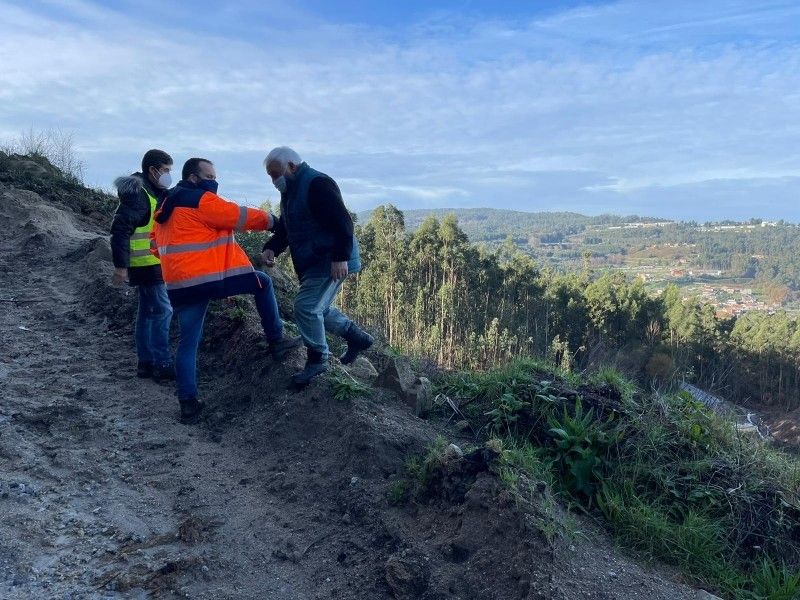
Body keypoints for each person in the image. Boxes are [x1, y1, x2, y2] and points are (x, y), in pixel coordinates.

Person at [152, 157, 301, 423]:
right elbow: (237, 216)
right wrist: (274, 222)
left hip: (178, 283)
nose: (214, 180)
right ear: (193, 178)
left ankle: (188, 404)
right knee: (263, 284)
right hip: (207, 277)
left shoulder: (165, 206)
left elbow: (155, 245)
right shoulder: (200, 199)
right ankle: (277, 341)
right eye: (209, 175)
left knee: (188, 342)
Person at [261, 146, 373, 387]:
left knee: (305, 306)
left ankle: (318, 359)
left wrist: (340, 257)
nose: (273, 181)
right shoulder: (291, 189)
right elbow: (288, 226)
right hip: (314, 259)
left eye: (275, 174)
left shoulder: (318, 184)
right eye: (270, 176)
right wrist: (272, 247)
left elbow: (342, 222)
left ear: (291, 166)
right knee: (318, 309)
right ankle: (356, 337)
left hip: (330, 259)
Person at [110, 149, 175, 381]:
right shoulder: (140, 195)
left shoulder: (153, 192)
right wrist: (120, 266)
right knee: (163, 311)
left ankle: (145, 363)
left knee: (147, 313)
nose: (169, 175)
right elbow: (120, 229)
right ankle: (162, 362)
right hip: (147, 263)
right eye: (166, 170)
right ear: (153, 170)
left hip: (150, 263)